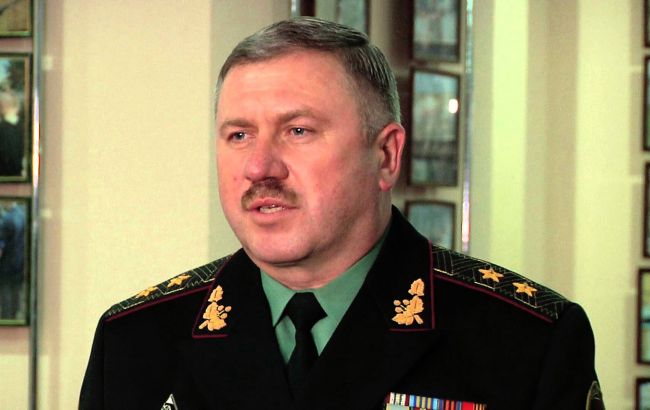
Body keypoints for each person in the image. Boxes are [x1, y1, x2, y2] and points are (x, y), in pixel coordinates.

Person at [79, 17, 604, 410]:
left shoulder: (528, 340)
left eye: (298, 130)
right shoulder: (135, 341)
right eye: (239, 135)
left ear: (386, 155)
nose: (260, 166)